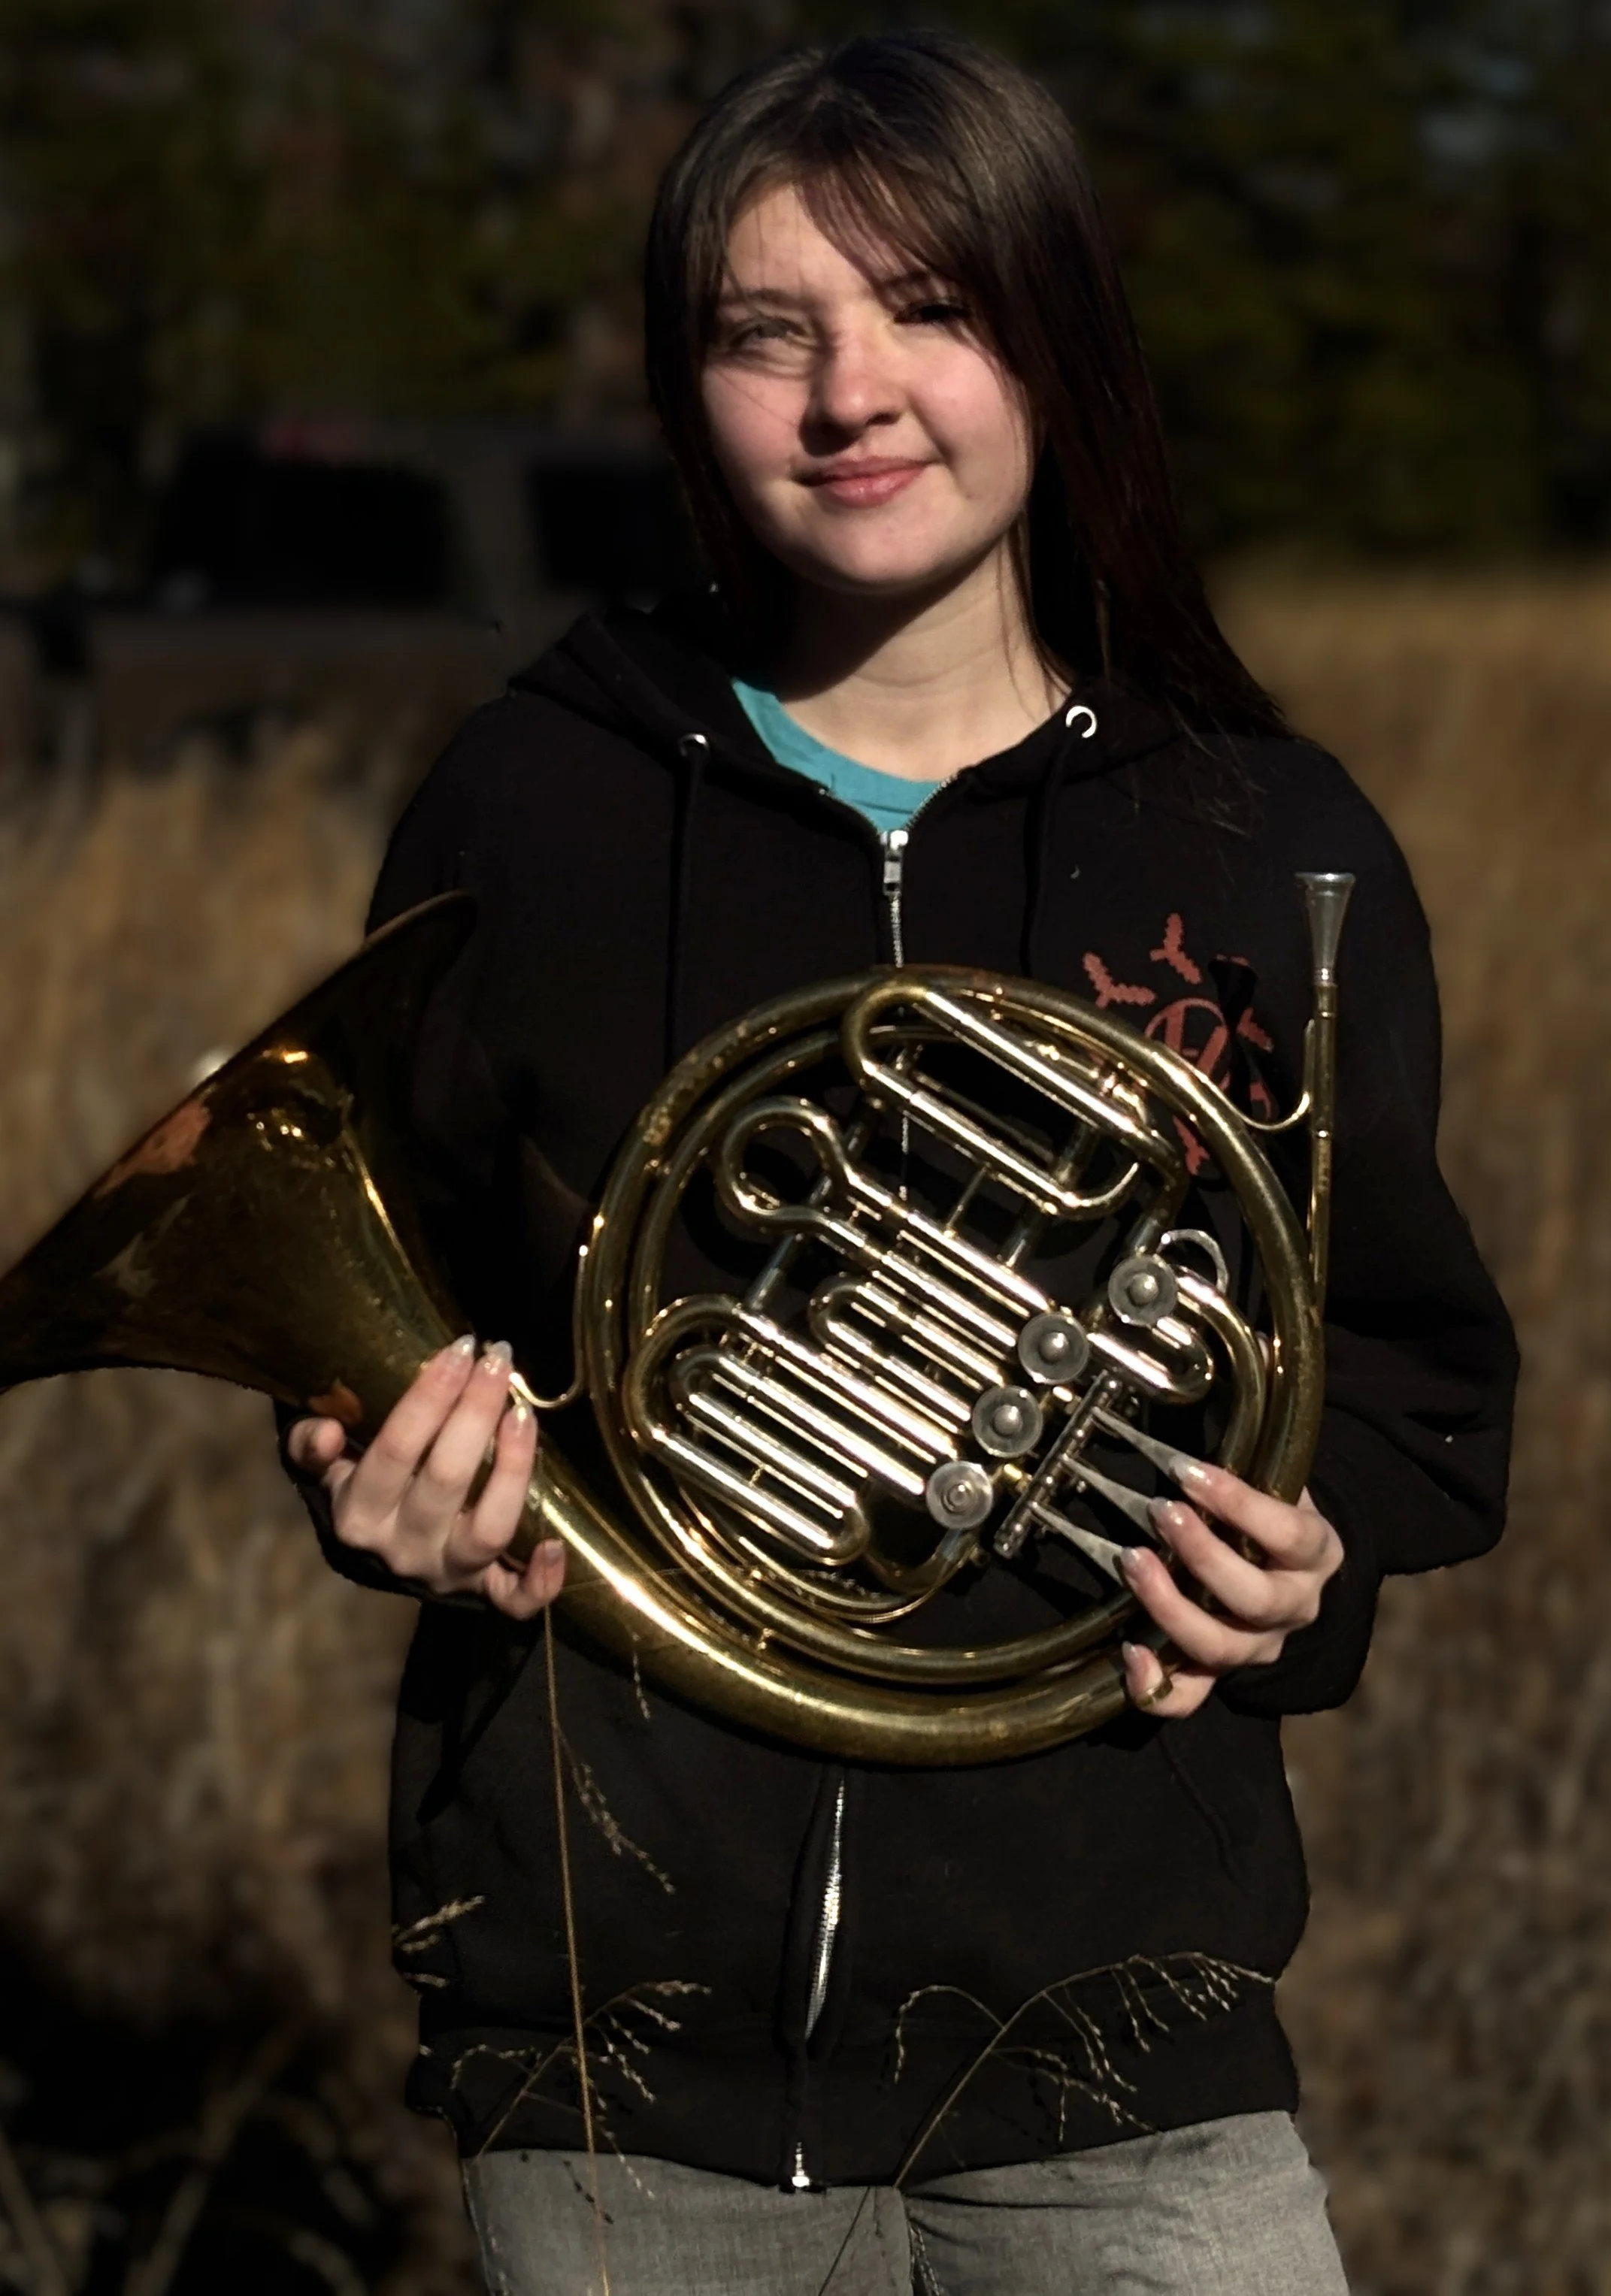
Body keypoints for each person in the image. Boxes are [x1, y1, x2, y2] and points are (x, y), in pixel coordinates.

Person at [283, 33, 1517, 2296]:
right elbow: (381, 1312)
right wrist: (377, 1484)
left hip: (1127, 2048)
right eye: (773, 331)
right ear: (690, 385)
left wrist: (1296, 1564)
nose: (855, 392)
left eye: (932, 306)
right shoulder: (529, 807)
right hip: (617, 2058)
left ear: (1055, 338)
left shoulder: (1267, 847)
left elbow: (1424, 1394)